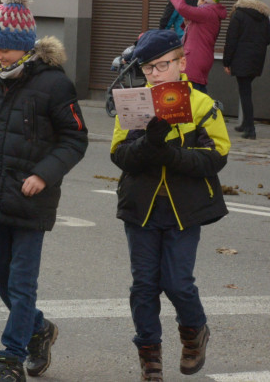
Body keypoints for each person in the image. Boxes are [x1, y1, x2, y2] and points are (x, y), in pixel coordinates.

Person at [0, 0, 88, 381]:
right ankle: (40, 329)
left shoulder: (54, 84)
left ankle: (9, 360)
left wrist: (44, 173)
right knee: (2, 279)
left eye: (5, 47)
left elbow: (76, 138)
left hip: (32, 198)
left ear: (25, 45)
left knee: (22, 284)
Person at [110, 29, 229, 381]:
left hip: (184, 209)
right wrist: (149, 143)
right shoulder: (134, 103)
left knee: (177, 282)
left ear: (182, 63)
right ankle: (150, 356)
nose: (155, 74)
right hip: (141, 208)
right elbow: (119, 155)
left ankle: (194, 332)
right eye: (147, 69)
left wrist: (170, 154)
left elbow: (216, 155)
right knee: (143, 285)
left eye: (162, 65)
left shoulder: (202, 104)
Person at [223, 0, 270, 140]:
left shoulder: (239, 14)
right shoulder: (263, 16)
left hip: (241, 58)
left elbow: (231, 40)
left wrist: (226, 61)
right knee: (245, 90)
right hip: (256, 58)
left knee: (245, 93)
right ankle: (245, 124)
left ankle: (250, 129)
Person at [171, 0, 227, 94]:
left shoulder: (207, 12)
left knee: (192, 92)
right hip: (203, 56)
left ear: (205, 0)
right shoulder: (211, 13)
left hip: (195, 57)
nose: (197, 0)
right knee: (198, 89)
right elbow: (199, 33)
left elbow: (182, 8)